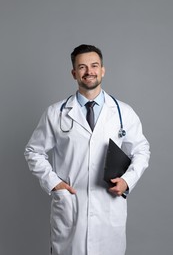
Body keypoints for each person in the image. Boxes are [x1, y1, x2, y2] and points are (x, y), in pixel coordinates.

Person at [24, 44, 150, 255]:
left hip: (108, 209)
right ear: (74, 73)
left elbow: (142, 150)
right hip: (71, 209)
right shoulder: (56, 113)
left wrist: (127, 180)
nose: (89, 71)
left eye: (94, 66)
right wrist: (54, 184)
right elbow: (33, 151)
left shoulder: (123, 113)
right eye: (82, 67)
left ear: (103, 70)